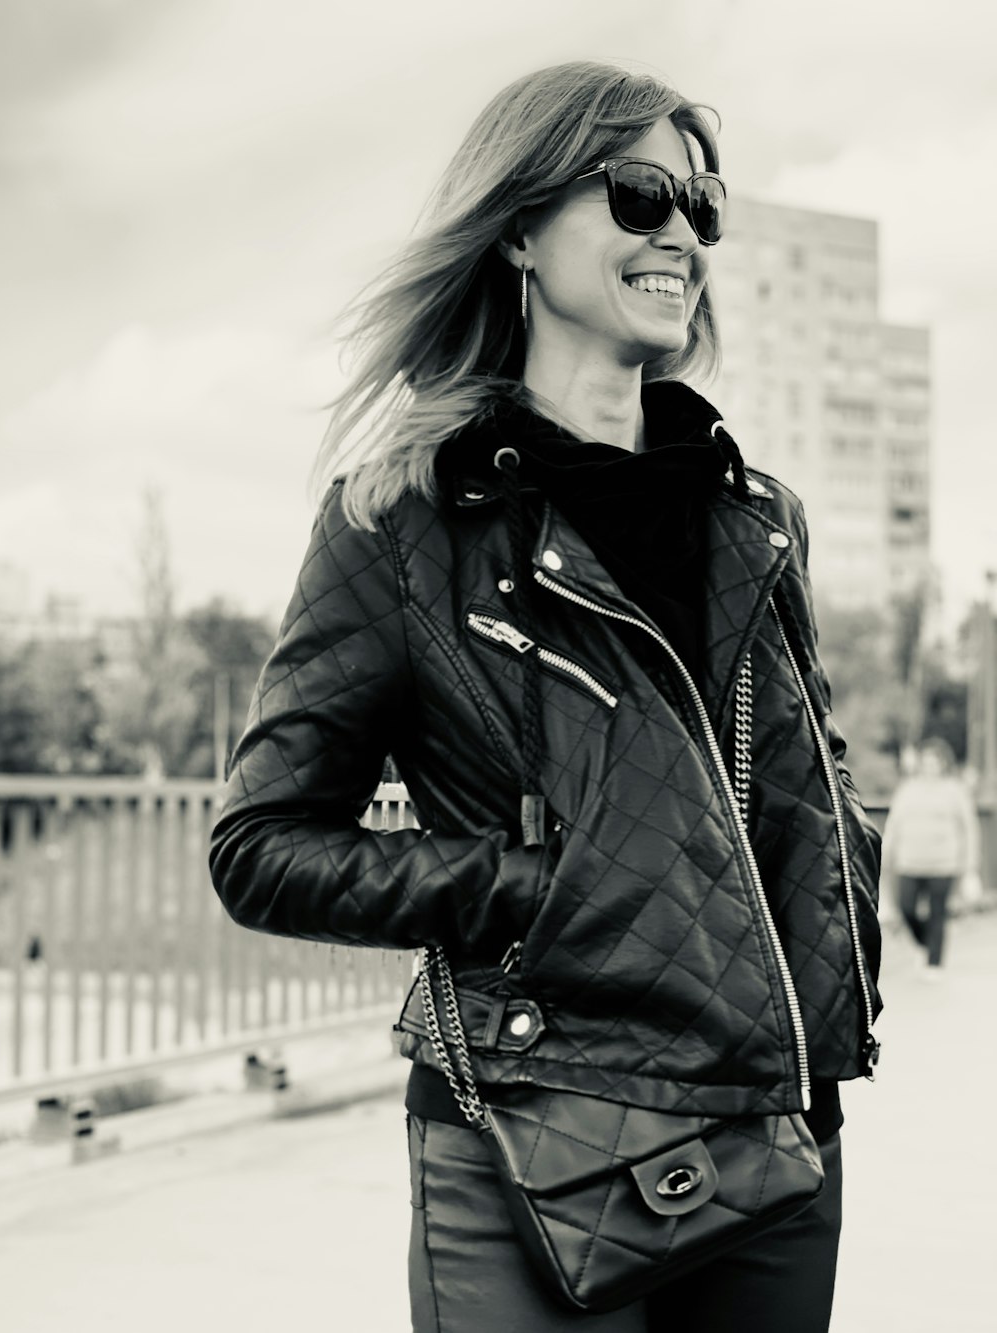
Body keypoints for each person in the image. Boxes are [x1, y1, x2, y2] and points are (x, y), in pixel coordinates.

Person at [209, 60, 883, 1333]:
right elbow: (261, 848)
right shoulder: (406, 518)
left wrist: (833, 977)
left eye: (702, 203)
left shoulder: (760, 518)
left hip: (774, 1138)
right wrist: (536, 886)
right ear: (519, 225)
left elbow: (804, 785)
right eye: (637, 192)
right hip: (529, 1141)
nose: (679, 229)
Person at [882, 737, 978, 973]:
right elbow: (894, 824)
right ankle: (927, 943)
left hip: (944, 862)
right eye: (925, 762)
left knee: (938, 912)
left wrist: (970, 868)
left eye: (934, 762)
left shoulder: (955, 790)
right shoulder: (907, 789)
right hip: (909, 861)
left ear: (943, 764)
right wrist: (885, 852)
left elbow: (969, 828)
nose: (929, 767)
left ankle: (934, 963)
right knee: (906, 909)